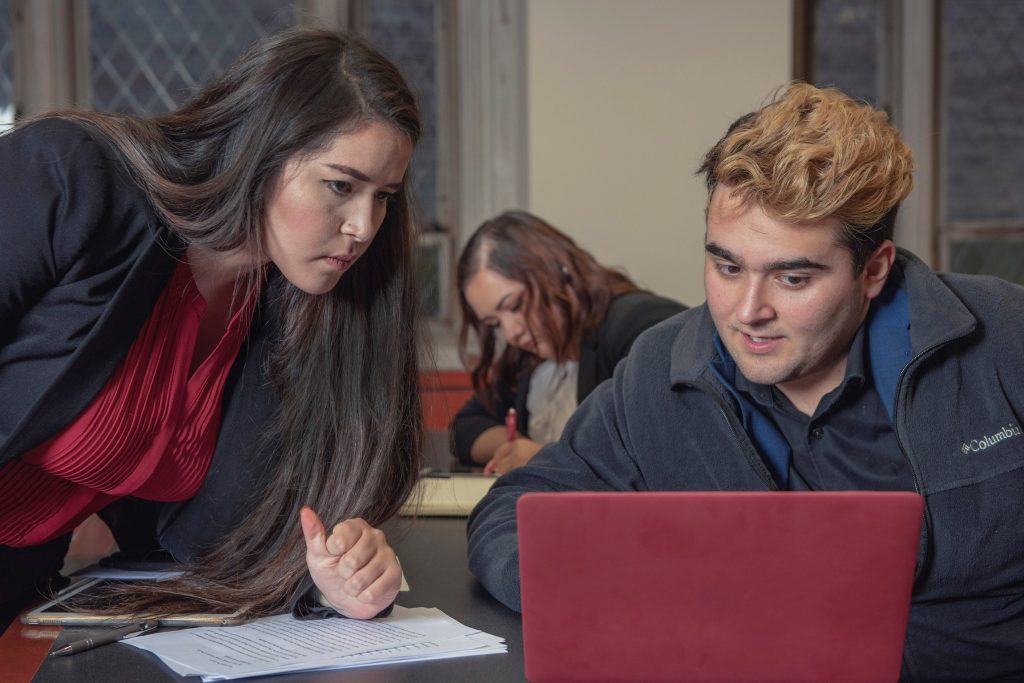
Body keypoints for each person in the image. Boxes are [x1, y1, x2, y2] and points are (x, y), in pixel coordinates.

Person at [467, 83, 1024, 681]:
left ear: (874, 270)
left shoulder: (1003, 335)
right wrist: (616, 596)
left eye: (792, 278)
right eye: (726, 267)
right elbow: (513, 510)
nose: (746, 311)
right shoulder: (660, 368)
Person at [0, 28, 423, 627]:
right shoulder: (73, 176)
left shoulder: (289, 307)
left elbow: (232, 532)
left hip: (32, 582)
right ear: (260, 151)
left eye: (384, 197)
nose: (363, 226)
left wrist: (332, 578)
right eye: (340, 186)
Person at [451, 211, 685, 474]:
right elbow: (465, 426)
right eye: (495, 324)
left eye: (515, 306)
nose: (510, 333)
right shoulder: (527, 360)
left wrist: (547, 458)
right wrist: (513, 447)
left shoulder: (639, 325)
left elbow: (666, 445)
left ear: (555, 270)